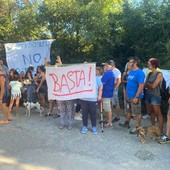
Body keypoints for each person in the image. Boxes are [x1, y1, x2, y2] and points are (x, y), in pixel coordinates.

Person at [119, 57, 145, 134]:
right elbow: (129, 84)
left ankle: (138, 127)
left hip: (135, 96)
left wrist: (136, 97)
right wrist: (126, 94)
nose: (129, 64)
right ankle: (127, 123)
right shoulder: (131, 72)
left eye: (130, 62)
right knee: (129, 110)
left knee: (137, 113)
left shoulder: (140, 73)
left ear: (135, 63)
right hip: (129, 95)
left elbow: (141, 85)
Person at [80, 67, 103, 134]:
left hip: (93, 99)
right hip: (83, 99)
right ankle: (84, 126)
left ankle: (94, 127)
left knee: (93, 114)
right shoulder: (81, 77)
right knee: (84, 113)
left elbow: (100, 86)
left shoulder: (96, 78)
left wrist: (99, 96)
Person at [145, 58, 163, 134]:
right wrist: (149, 85)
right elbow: (148, 84)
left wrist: (148, 85)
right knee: (151, 112)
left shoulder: (159, 74)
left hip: (155, 95)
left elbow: (153, 86)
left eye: (149, 64)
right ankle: (153, 128)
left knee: (157, 113)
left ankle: (160, 130)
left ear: (154, 65)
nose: (148, 66)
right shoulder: (149, 74)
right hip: (149, 94)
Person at [101, 60, 115, 127]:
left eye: (106, 65)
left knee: (108, 108)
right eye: (105, 65)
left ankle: (109, 122)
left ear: (111, 66)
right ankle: (107, 120)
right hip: (108, 92)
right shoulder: (110, 73)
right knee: (106, 108)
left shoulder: (108, 73)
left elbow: (102, 82)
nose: (105, 67)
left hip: (106, 92)